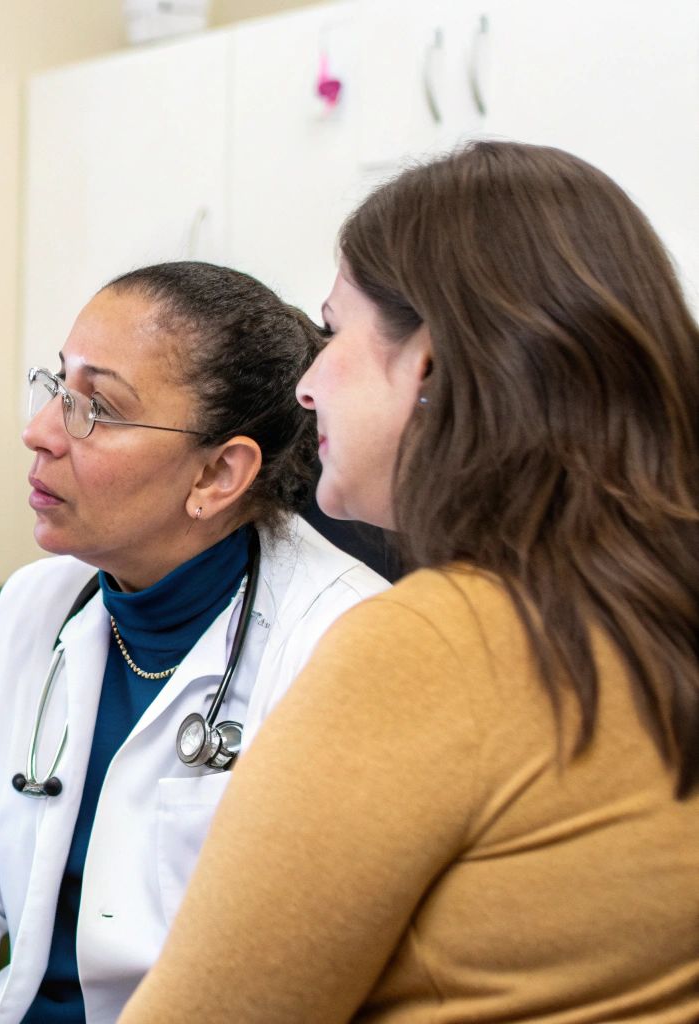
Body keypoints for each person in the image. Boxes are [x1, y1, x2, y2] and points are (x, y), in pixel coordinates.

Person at [120, 142, 699, 1022]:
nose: (307, 386)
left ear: (424, 366)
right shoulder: (655, 617)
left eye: (335, 332)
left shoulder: (438, 645)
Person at [0, 262, 388, 1024]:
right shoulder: (35, 604)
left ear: (218, 473)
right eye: (57, 386)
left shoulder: (343, 642)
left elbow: (301, 977)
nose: (42, 431)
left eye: (98, 409)